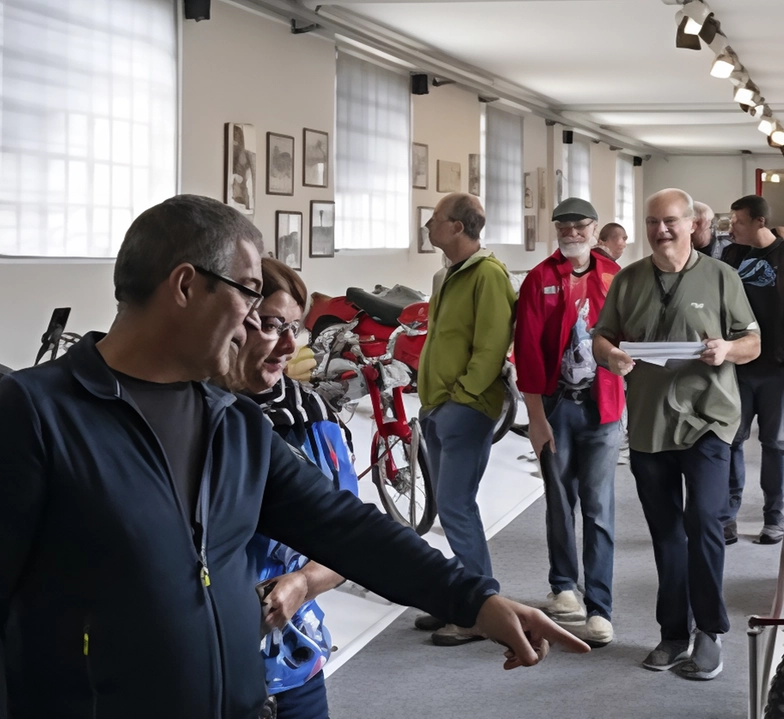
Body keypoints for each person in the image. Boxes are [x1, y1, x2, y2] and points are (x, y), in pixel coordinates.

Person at [0, 195, 587, 719]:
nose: (256, 321)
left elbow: (345, 527)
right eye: (249, 292)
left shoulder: (229, 422)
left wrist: (475, 600)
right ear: (184, 287)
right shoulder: (35, 414)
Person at [593, 188, 760, 681]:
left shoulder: (722, 276)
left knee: (704, 521)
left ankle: (709, 631)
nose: (660, 230)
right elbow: (602, 336)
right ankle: (672, 633)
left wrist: (726, 350)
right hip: (648, 424)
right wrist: (612, 356)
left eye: (669, 221)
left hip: (708, 418)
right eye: (652, 222)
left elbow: (753, 342)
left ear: (692, 224)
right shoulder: (628, 280)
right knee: (666, 535)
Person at [213, 258, 348, 718]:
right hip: (209, 664)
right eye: (271, 326)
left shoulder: (313, 416)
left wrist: (304, 582)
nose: (289, 345)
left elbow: (349, 539)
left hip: (295, 657)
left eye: (296, 327)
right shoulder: (192, 412)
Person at [514, 198, 625, 648]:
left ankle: (600, 608)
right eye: (564, 225)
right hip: (557, 407)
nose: (572, 232)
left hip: (603, 408)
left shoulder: (615, 277)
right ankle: (564, 586)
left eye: (581, 226)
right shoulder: (539, 279)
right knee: (559, 501)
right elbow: (526, 352)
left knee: (598, 507)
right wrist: (536, 419)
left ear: (596, 230)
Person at [413, 192, 518, 647]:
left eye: (434, 220)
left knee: (456, 507)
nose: (428, 226)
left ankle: (479, 610)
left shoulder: (489, 275)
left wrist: (462, 398)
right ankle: (461, 599)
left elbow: (492, 346)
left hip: (465, 409)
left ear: (457, 226)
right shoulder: (444, 275)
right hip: (438, 405)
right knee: (450, 507)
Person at [721, 196, 784, 545]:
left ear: (759, 222)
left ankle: (774, 517)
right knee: (732, 439)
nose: (731, 226)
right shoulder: (732, 256)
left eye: (738, 220)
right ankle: (727, 517)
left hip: (778, 368)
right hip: (739, 365)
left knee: (774, 442)